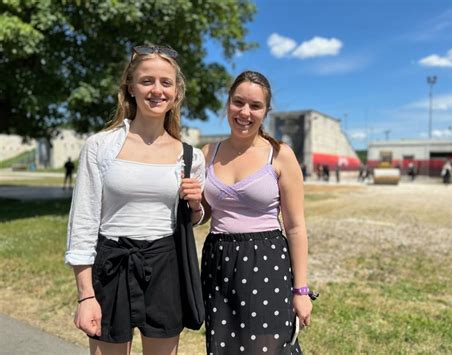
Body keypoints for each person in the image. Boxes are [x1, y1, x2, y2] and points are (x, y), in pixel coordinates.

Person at [65, 44, 205, 355]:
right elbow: (83, 223)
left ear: (177, 91)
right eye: (147, 81)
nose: (157, 90)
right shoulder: (100, 146)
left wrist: (196, 205)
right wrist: (86, 295)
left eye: (166, 82)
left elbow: (193, 218)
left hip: (165, 265)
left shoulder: (190, 156)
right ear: (130, 87)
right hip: (112, 263)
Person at [200, 71, 313, 354]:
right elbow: (201, 215)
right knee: (223, 346)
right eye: (238, 102)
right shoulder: (207, 153)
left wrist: (301, 290)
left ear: (266, 111)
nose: (245, 112)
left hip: (265, 260)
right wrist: (191, 202)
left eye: (255, 106)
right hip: (218, 260)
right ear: (227, 104)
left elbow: (296, 227)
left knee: (266, 346)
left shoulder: (279, 155)